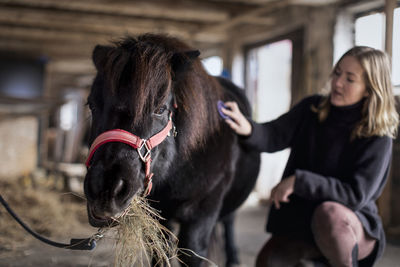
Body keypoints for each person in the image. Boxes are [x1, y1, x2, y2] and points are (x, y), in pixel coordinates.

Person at [221, 46, 399, 267]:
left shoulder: (377, 135)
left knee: (330, 214)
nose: (338, 82)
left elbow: (355, 194)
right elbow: (274, 135)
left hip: (350, 227)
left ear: (369, 90)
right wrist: (247, 126)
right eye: (337, 72)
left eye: (350, 79)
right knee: (267, 262)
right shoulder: (312, 109)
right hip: (303, 225)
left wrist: (299, 182)